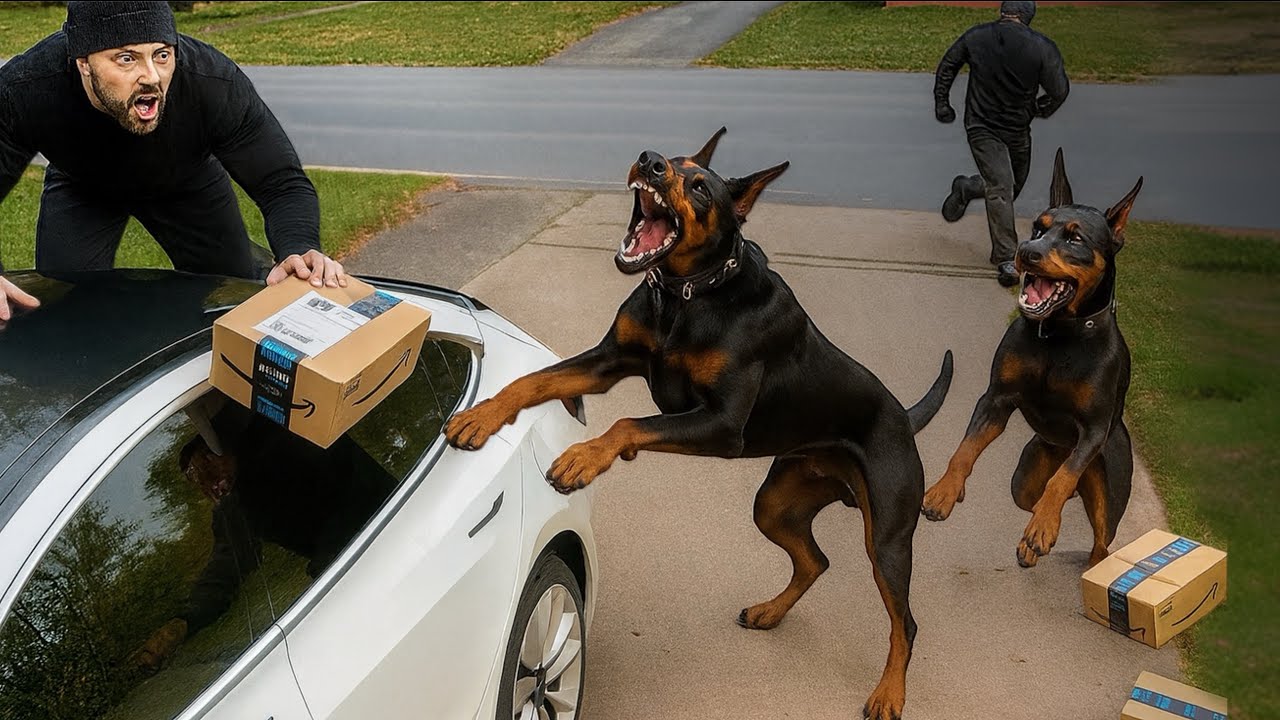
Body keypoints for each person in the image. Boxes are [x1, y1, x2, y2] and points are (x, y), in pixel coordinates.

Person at [0, 1, 346, 322]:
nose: (151, 76)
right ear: (83, 63)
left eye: (162, 55)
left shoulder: (212, 83)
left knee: (235, 293)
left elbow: (280, 182)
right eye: (126, 59)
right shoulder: (25, 90)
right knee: (64, 306)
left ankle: (247, 259)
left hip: (186, 182)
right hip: (83, 185)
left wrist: (300, 246)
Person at [933, 1, 1069, 287]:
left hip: (1014, 130)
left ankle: (967, 187)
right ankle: (1007, 258)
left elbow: (947, 66)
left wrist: (943, 103)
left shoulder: (976, 35)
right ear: (1028, 16)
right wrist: (1042, 108)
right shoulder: (1042, 47)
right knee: (1002, 187)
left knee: (1010, 186)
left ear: (1003, 11)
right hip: (984, 129)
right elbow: (1059, 90)